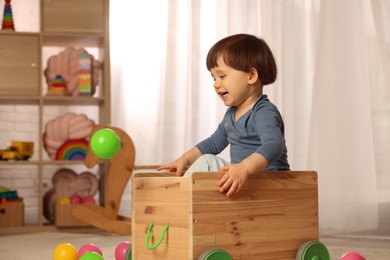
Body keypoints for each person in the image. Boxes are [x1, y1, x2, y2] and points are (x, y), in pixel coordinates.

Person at [158, 33, 289, 197]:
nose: (216, 84)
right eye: (213, 78)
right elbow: (213, 143)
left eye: (222, 76)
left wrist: (245, 167)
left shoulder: (263, 111)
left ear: (251, 76)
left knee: (208, 162)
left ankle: (177, 198)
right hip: (246, 183)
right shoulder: (231, 114)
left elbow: (274, 144)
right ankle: (183, 198)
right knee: (209, 165)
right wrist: (185, 159)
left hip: (270, 183)